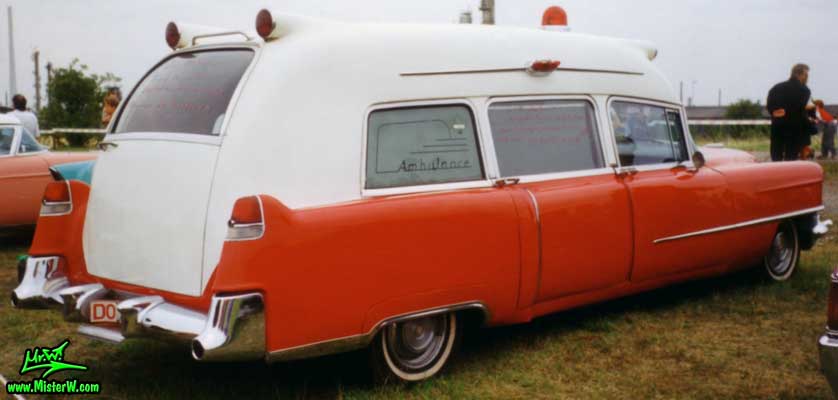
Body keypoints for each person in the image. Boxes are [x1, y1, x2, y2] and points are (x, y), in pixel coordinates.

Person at [766, 64, 815, 161]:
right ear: (798, 74)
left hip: (778, 127)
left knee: (776, 156)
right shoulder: (804, 90)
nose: (807, 78)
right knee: (791, 159)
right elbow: (800, 109)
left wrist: (775, 113)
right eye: (806, 75)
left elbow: (770, 106)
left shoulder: (776, 88)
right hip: (794, 129)